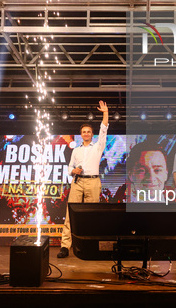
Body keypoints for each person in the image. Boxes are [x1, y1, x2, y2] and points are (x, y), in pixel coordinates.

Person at [57, 100, 109, 258]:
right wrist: (73, 170)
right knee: (70, 214)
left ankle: (90, 246)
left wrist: (105, 113)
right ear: (81, 134)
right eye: (84, 131)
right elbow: (69, 167)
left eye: (88, 131)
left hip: (93, 182)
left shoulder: (98, 147)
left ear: (91, 134)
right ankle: (65, 246)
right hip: (77, 183)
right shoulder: (76, 150)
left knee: (91, 215)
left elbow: (104, 129)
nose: (86, 133)